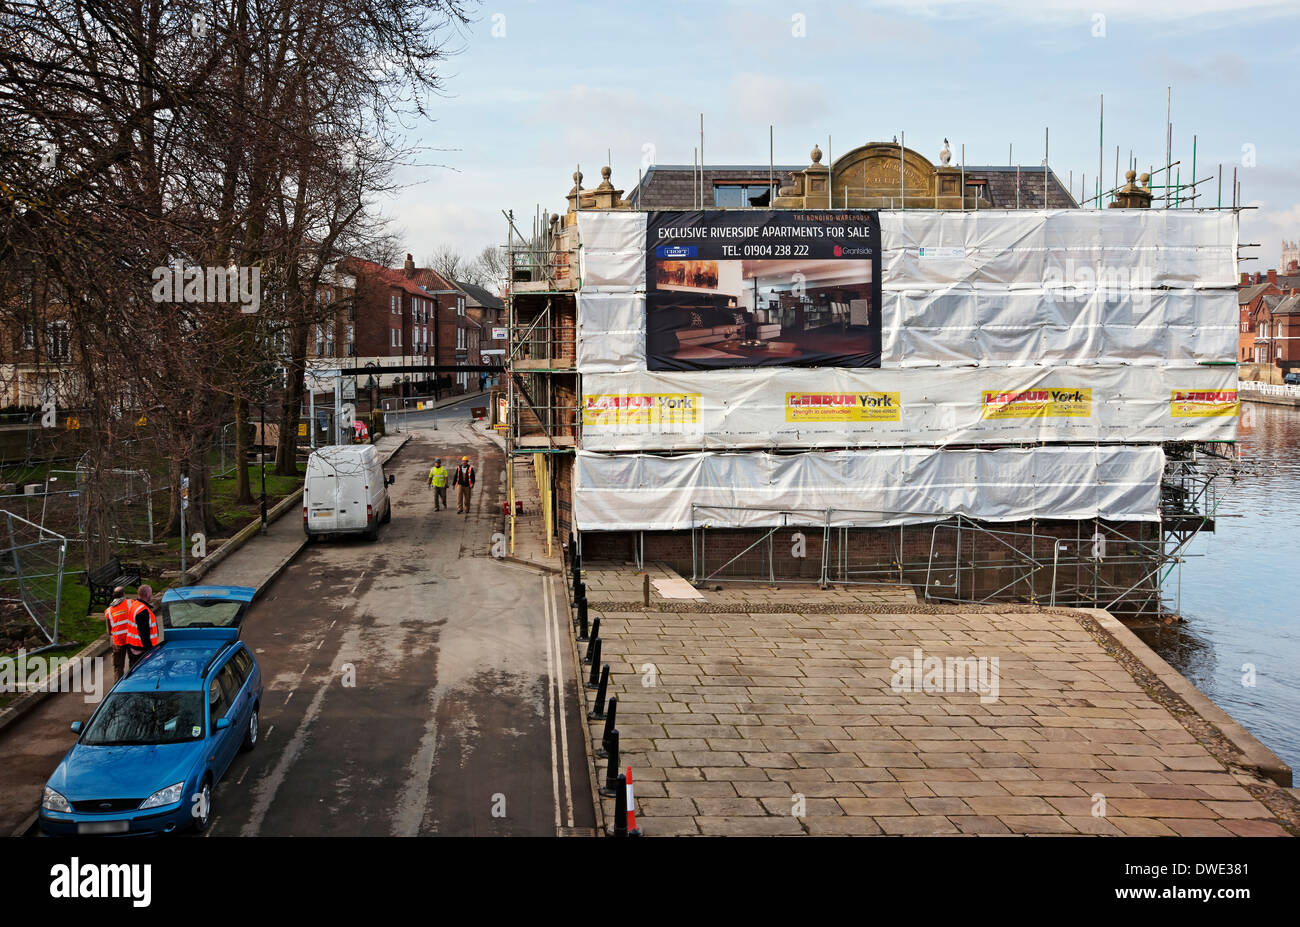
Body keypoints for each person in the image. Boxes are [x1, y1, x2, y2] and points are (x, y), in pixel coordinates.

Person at [123, 584, 161, 673]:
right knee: (142, 673)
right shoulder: (143, 611)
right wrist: (150, 651)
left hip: (132, 646)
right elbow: (144, 633)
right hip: (141, 649)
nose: (151, 595)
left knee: (132, 672)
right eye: (151, 594)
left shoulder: (134, 605)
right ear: (147, 595)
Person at [104, 586, 133, 679]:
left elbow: (109, 631)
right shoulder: (130, 603)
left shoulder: (108, 611)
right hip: (131, 639)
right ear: (124, 594)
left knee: (118, 667)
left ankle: (117, 687)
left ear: (113, 596)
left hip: (118, 642)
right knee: (134, 664)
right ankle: (133, 683)